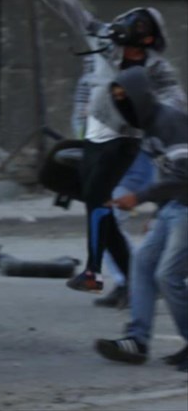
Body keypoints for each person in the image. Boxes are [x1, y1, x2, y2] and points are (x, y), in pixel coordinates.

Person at [13, 0, 185, 295]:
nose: (127, 46)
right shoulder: (106, 37)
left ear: (148, 40)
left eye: (138, 35)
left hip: (125, 141)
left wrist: (155, 120)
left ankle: (97, 273)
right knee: (96, 205)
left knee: (98, 203)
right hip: (93, 136)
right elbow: (72, 8)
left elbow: (176, 103)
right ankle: (132, 281)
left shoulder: (157, 68)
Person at [93, 67, 187, 372]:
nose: (123, 106)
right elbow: (170, 175)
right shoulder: (149, 129)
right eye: (118, 100)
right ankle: (136, 340)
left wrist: (140, 197)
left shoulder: (169, 121)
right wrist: (158, 213)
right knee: (143, 263)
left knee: (168, 276)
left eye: (126, 99)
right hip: (174, 207)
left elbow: (184, 176)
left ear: (141, 97)